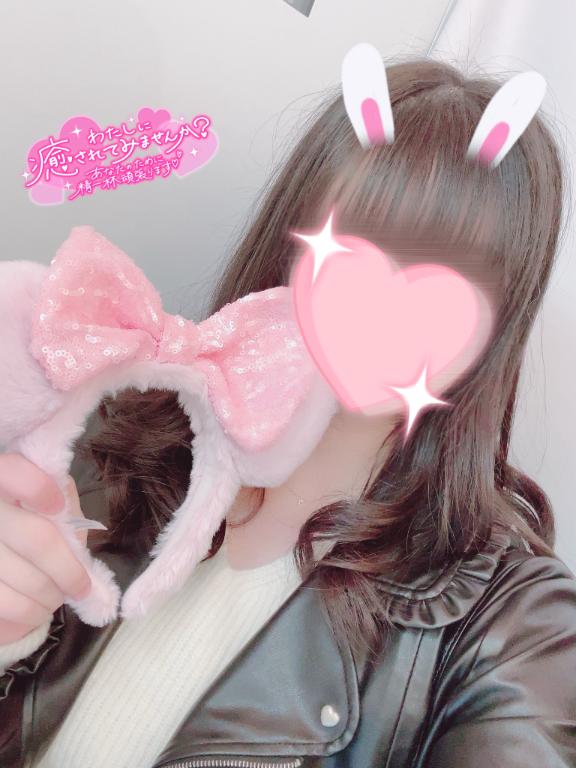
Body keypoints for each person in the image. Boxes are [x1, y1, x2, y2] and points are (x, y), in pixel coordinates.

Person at [0, 52, 575, 768]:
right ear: (291, 240)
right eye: (357, 248)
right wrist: (12, 635)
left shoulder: (512, 629)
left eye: (447, 276)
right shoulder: (115, 451)